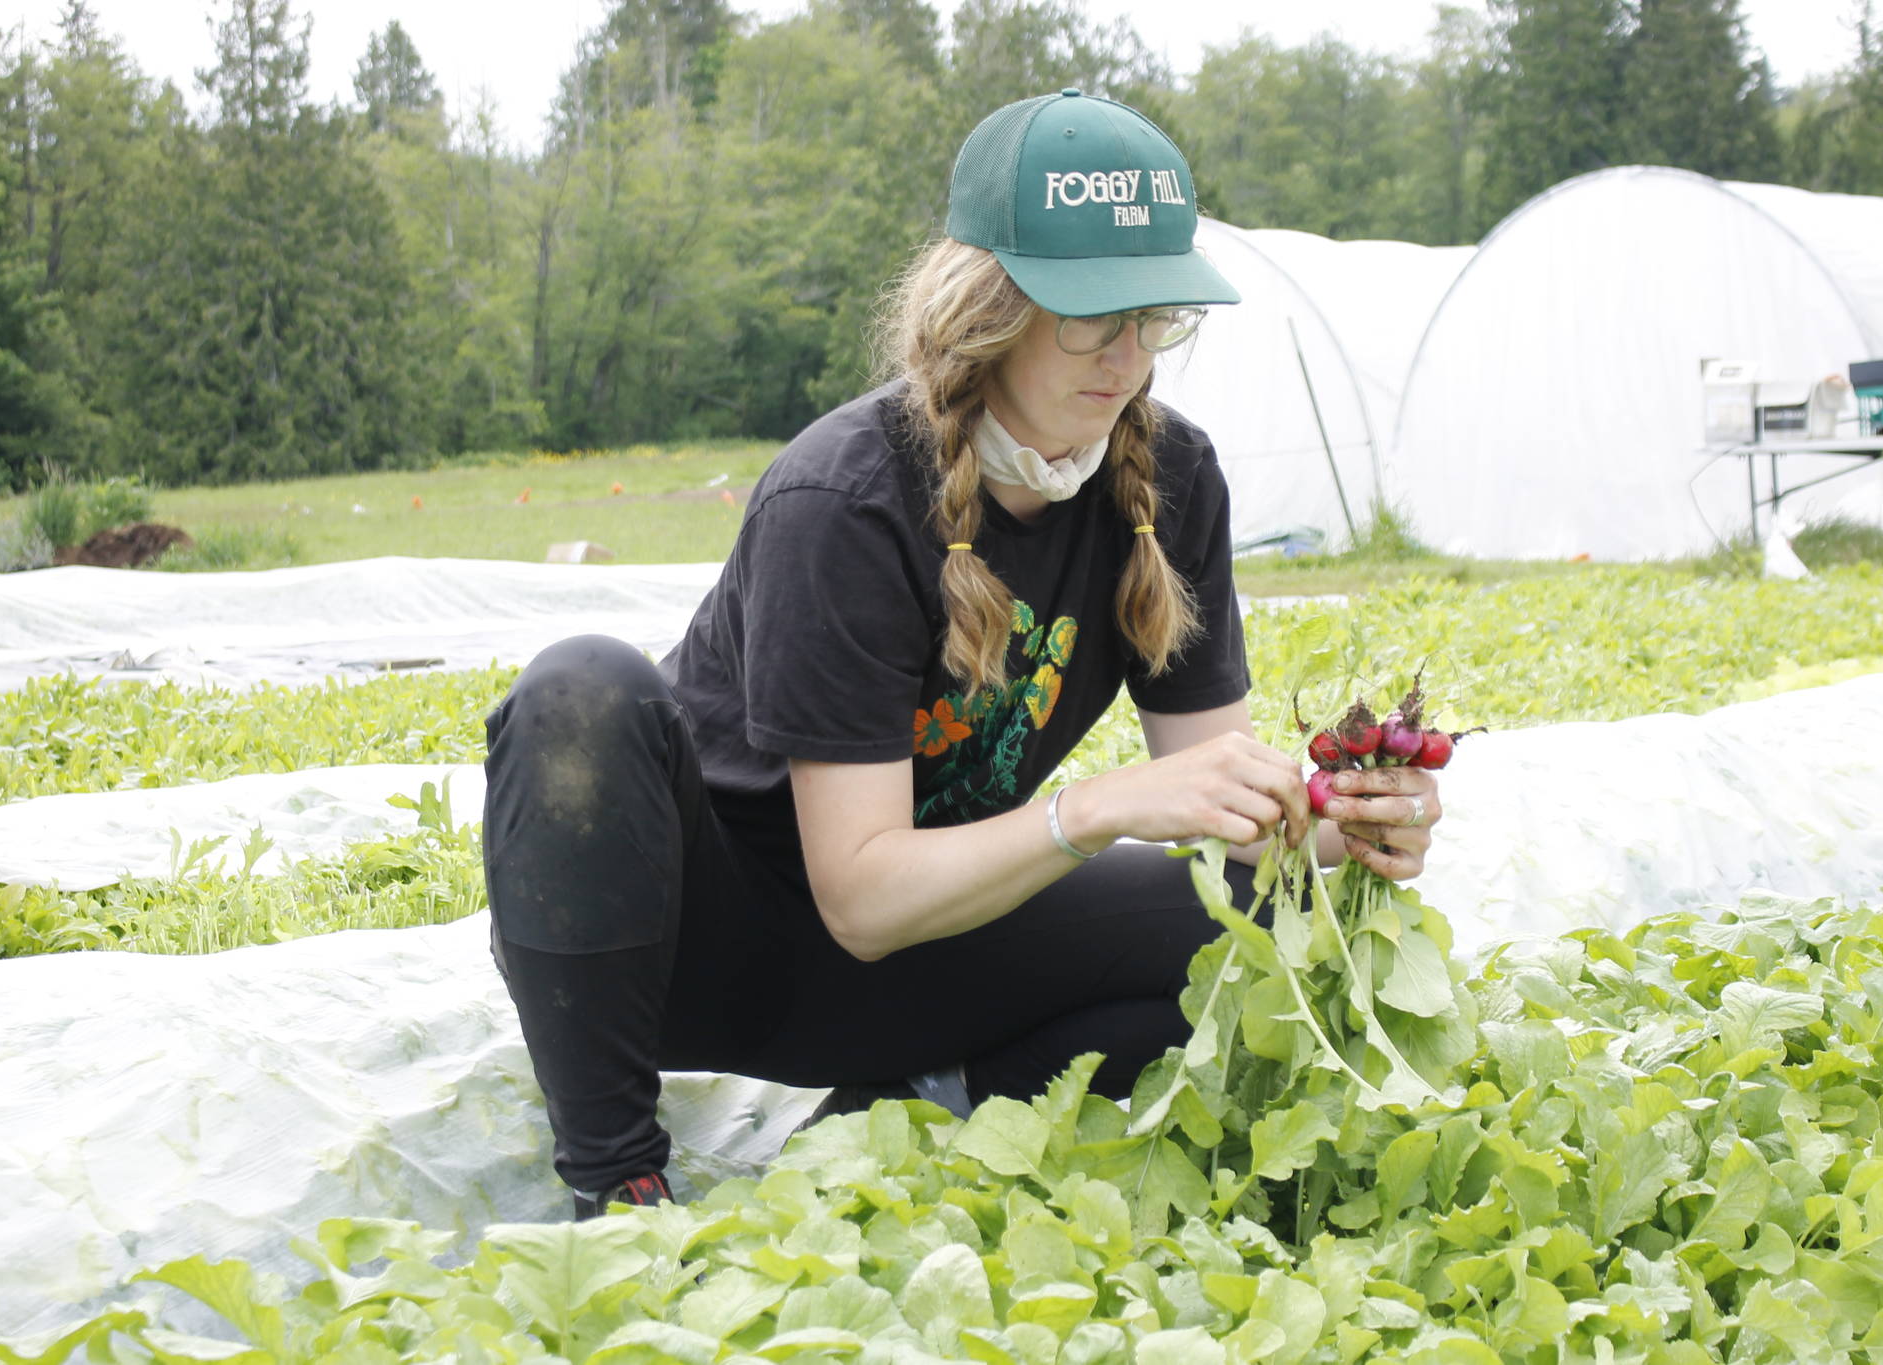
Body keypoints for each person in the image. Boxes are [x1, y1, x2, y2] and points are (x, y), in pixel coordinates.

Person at [480, 90, 1444, 1221]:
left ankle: (918, 1107)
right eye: (1091, 319)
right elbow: (859, 900)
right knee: (577, 692)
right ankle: (617, 1179)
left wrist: (1342, 823)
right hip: (700, 953)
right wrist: (1095, 809)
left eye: (1156, 317)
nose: (1128, 359)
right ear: (988, 305)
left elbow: (1222, 809)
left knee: (1257, 928)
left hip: (933, 943)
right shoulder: (842, 498)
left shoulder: (1169, 479)